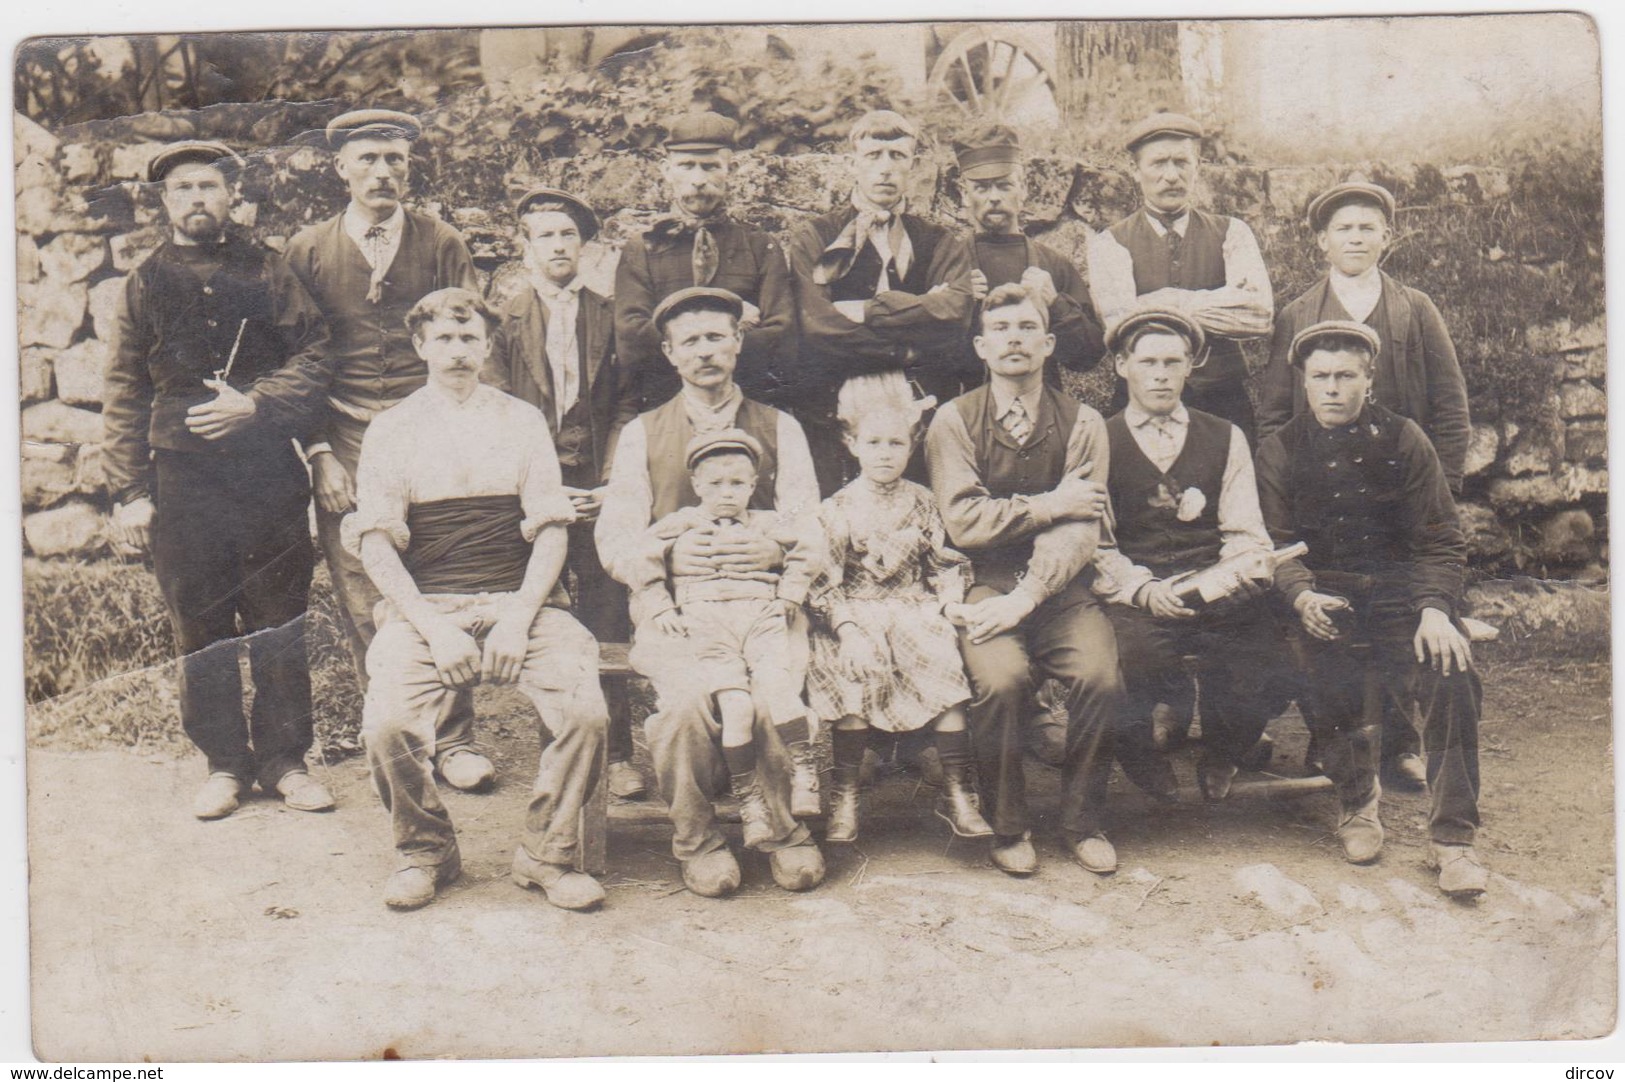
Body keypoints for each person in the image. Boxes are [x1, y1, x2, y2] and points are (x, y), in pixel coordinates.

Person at [344, 287, 610, 912]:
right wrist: (435, 629)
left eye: (470, 338)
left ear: (489, 346)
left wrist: (518, 618)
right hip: (429, 606)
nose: (458, 351)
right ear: (420, 347)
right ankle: (426, 849)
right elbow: (377, 545)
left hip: (521, 601)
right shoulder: (391, 429)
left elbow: (550, 529)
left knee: (586, 712)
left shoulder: (520, 420)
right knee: (386, 722)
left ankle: (547, 853)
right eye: (444, 338)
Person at [103, 140, 334, 820]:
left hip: (267, 475)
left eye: (209, 186)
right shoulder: (143, 281)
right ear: (165, 202)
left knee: (277, 617)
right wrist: (130, 491)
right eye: (183, 189)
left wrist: (256, 404)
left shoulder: (271, 270)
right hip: (183, 480)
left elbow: (317, 356)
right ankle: (225, 765)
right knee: (198, 623)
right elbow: (122, 390)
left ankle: (287, 761)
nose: (197, 199)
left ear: (233, 195)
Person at [283, 109, 492, 794]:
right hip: (342, 434)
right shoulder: (308, 250)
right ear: (339, 167)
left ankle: (456, 738)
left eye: (395, 160)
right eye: (368, 159)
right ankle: (400, 733)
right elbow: (297, 359)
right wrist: (318, 451)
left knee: (442, 575)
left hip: (427, 426)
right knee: (361, 581)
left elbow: (468, 339)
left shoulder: (439, 242)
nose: (382, 173)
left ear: (410, 167)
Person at [596, 286, 826, 898]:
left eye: (717, 336)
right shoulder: (643, 434)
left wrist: (773, 549)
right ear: (670, 353)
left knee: (776, 687)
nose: (705, 351)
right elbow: (615, 539)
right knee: (685, 703)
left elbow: (811, 525)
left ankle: (782, 830)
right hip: (679, 611)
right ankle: (697, 837)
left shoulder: (781, 427)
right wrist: (669, 553)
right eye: (690, 341)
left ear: (738, 343)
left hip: (764, 605)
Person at [1255, 320, 1487, 899]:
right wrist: (1300, 593)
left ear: (1369, 378)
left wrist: (1436, 609)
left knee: (1451, 668)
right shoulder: (1279, 447)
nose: (1332, 388)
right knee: (1315, 655)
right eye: (1320, 377)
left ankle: (1453, 839)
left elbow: (1440, 539)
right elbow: (1273, 542)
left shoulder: (1405, 438)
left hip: (1400, 594)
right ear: (1303, 382)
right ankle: (1359, 804)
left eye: (1345, 376)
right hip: (1321, 591)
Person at [1258, 181, 1474, 789]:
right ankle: (1335, 740)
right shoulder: (1299, 313)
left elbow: (1450, 407)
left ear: (1387, 237)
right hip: (1324, 496)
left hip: (1400, 490)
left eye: (1367, 227)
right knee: (1320, 612)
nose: (1355, 237)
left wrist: (1443, 490)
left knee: (1398, 606)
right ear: (1322, 241)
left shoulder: (1414, 308)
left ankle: (1400, 742)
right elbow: (1275, 412)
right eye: (1343, 228)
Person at [925, 283, 1125, 878]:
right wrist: (1049, 503)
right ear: (982, 348)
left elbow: (1082, 525)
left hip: (1060, 589)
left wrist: (1028, 596)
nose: (1015, 338)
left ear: (1049, 343)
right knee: (1001, 679)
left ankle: (1083, 821)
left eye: (1027, 328)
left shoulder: (1085, 422)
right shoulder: (952, 420)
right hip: (980, 586)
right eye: (1002, 329)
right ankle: (1008, 824)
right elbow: (964, 521)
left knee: (1100, 677)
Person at [1091, 308, 1293, 803]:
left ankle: (1225, 748)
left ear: (1190, 366)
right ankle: (1142, 749)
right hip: (1136, 591)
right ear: (1122, 365)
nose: (1160, 374)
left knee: (1267, 650)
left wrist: (1238, 571)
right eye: (1147, 362)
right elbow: (1095, 542)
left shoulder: (1226, 435)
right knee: (1128, 657)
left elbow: (1244, 528)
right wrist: (1143, 590)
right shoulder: (1097, 436)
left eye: (1172, 362)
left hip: (1212, 583)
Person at [484, 186, 645, 801]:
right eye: (545, 235)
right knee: (543, 614)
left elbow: (629, 403)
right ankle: (560, 744)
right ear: (523, 249)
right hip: (534, 491)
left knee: (607, 613)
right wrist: (541, 491)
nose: (557, 245)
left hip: (598, 485)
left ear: (584, 246)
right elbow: (498, 410)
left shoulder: (610, 314)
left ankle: (620, 752)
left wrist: (610, 482)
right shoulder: (504, 322)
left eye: (568, 235)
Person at [806, 373, 992, 844]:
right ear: (852, 445)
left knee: (941, 658)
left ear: (911, 446)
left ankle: (958, 791)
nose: (885, 453)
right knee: (852, 669)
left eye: (896, 443)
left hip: (914, 607)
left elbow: (944, 564)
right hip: (854, 612)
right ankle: (844, 795)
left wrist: (949, 602)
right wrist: (846, 627)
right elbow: (823, 582)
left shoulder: (924, 502)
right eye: (874, 442)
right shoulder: (837, 508)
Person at [627, 430, 814, 847]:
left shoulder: (769, 523)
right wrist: (661, 605)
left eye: (737, 484)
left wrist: (788, 586)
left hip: (761, 621)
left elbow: (812, 546)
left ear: (753, 485)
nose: (726, 494)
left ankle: (797, 795)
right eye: (715, 484)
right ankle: (731, 818)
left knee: (775, 695)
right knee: (729, 704)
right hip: (706, 625)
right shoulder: (680, 523)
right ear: (696, 486)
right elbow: (640, 560)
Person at [786, 109, 975, 493]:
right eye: (873, 156)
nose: (885, 169)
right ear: (852, 162)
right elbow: (820, 328)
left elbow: (955, 318)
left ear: (914, 165)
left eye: (897, 156)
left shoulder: (939, 240)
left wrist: (868, 311)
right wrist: (912, 331)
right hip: (835, 399)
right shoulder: (815, 236)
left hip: (920, 398)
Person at [1086, 112, 1273, 440]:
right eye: (1158, 163)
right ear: (1136, 170)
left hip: (1222, 398)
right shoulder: (1109, 243)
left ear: (1197, 167)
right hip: (1140, 400)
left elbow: (1258, 315)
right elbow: (1121, 324)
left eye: (1181, 162)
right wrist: (1218, 301)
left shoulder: (1233, 232)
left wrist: (1165, 301)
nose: (1171, 175)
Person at [614, 111, 793, 409]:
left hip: (747, 404)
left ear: (730, 170)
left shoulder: (761, 246)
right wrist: (734, 324)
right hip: (663, 406)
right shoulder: (643, 248)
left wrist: (678, 335)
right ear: (666, 169)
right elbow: (632, 341)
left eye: (710, 166)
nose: (698, 179)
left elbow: (782, 339)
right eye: (686, 165)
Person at [956, 123, 1105, 382]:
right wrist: (956, 303)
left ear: (1023, 188)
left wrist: (1055, 304)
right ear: (964, 194)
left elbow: (1089, 356)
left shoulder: (1053, 264)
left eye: (1004, 186)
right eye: (981, 187)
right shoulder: (949, 263)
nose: (994, 197)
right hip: (967, 413)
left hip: (1041, 412)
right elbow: (924, 358)